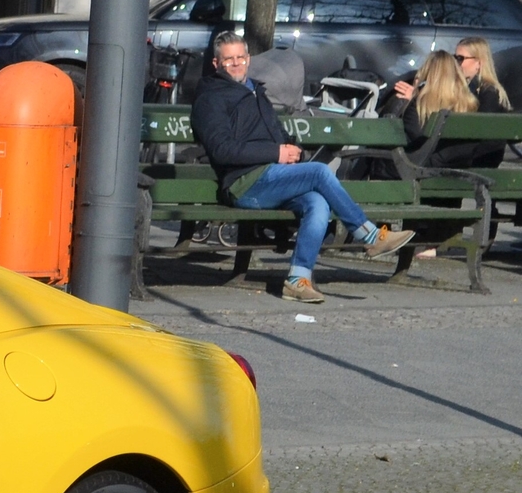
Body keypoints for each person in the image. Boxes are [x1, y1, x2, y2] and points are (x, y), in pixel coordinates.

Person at [193, 28, 411, 304]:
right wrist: (276, 152)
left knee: (318, 203)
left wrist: (289, 146)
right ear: (216, 64)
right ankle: (368, 235)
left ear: (249, 58)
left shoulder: (255, 91)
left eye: (241, 57)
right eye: (229, 60)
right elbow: (222, 150)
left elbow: (274, 132)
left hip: (272, 176)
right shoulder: (211, 98)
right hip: (245, 183)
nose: (236, 64)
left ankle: (297, 280)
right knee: (320, 171)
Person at [387, 40, 514, 169]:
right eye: (454, 57)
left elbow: (478, 136)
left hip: (475, 163)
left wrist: (419, 99)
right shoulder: (472, 90)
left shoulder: (487, 94)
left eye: (460, 58)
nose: (455, 63)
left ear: (479, 63)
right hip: (460, 161)